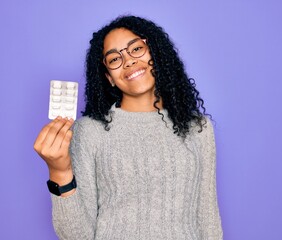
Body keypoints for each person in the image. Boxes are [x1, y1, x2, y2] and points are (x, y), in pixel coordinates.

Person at [34, 15, 223, 240]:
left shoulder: (198, 128)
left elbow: (208, 218)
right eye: (114, 59)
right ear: (109, 77)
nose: (129, 61)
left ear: (155, 52)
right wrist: (59, 172)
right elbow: (77, 235)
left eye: (136, 49)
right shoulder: (90, 132)